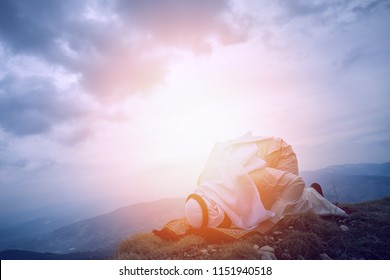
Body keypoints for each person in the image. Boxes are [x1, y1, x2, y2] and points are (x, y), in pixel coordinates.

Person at [184, 132, 346, 233]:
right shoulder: (206, 186)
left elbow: (296, 183)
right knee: (267, 205)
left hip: (280, 152)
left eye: (226, 218)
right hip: (257, 158)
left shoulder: (254, 179)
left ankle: (313, 195)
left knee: (286, 209)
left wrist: (271, 221)